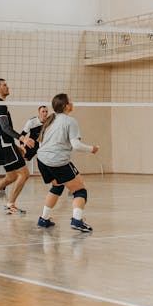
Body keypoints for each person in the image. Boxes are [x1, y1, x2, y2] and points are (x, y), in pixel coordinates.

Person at [35, 93, 100, 232]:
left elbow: (41, 143)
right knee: (80, 190)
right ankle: (77, 220)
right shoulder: (70, 121)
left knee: (57, 186)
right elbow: (76, 145)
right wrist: (92, 149)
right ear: (66, 106)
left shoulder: (51, 119)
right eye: (71, 101)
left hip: (41, 160)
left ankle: (44, 219)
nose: (73, 102)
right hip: (57, 161)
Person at [0, 79, 35, 215]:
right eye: (4, 85)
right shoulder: (0, 105)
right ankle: (10, 204)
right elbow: (5, 127)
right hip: (5, 144)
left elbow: (2, 129)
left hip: (2, 144)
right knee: (25, 173)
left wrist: (15, 146)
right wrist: (22, 138)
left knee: (11, 177)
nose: (7, 87)